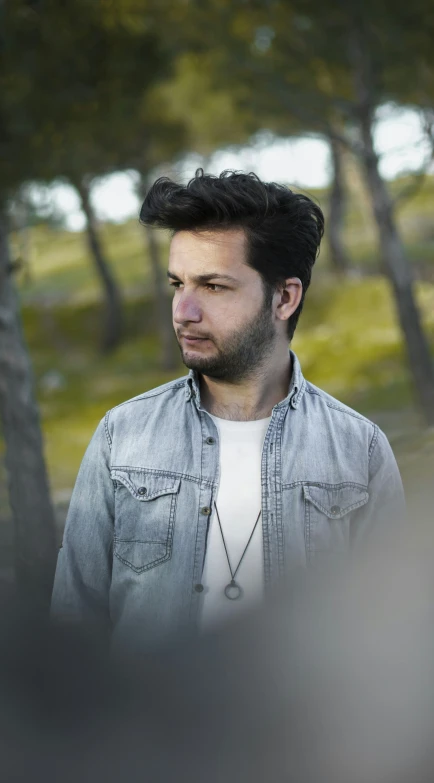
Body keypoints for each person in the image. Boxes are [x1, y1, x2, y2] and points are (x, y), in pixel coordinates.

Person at [51, 170, 405, 650]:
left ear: (284, 298)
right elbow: (75, 624)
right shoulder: (123, 436)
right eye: (178, 284)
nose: (183, 310)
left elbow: (389, 637)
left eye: (213, 287)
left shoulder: (358, 450)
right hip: (148, 724)